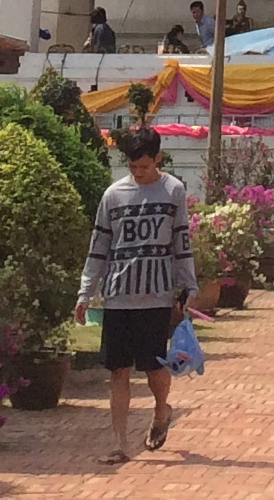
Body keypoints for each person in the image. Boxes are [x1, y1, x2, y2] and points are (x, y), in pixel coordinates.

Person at [78, 127, 196, 461]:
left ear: (157, 158)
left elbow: (181, 242)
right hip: (118, 296)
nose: (138, 172)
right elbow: (99, 246)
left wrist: (188, 285)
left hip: (156, 296)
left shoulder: (173, 191)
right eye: (132, 167)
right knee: (118, 370)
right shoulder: (113, 195)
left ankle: (161, 411)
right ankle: (120, 444)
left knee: (153, 367)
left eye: (144, 166)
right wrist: (85, 292)